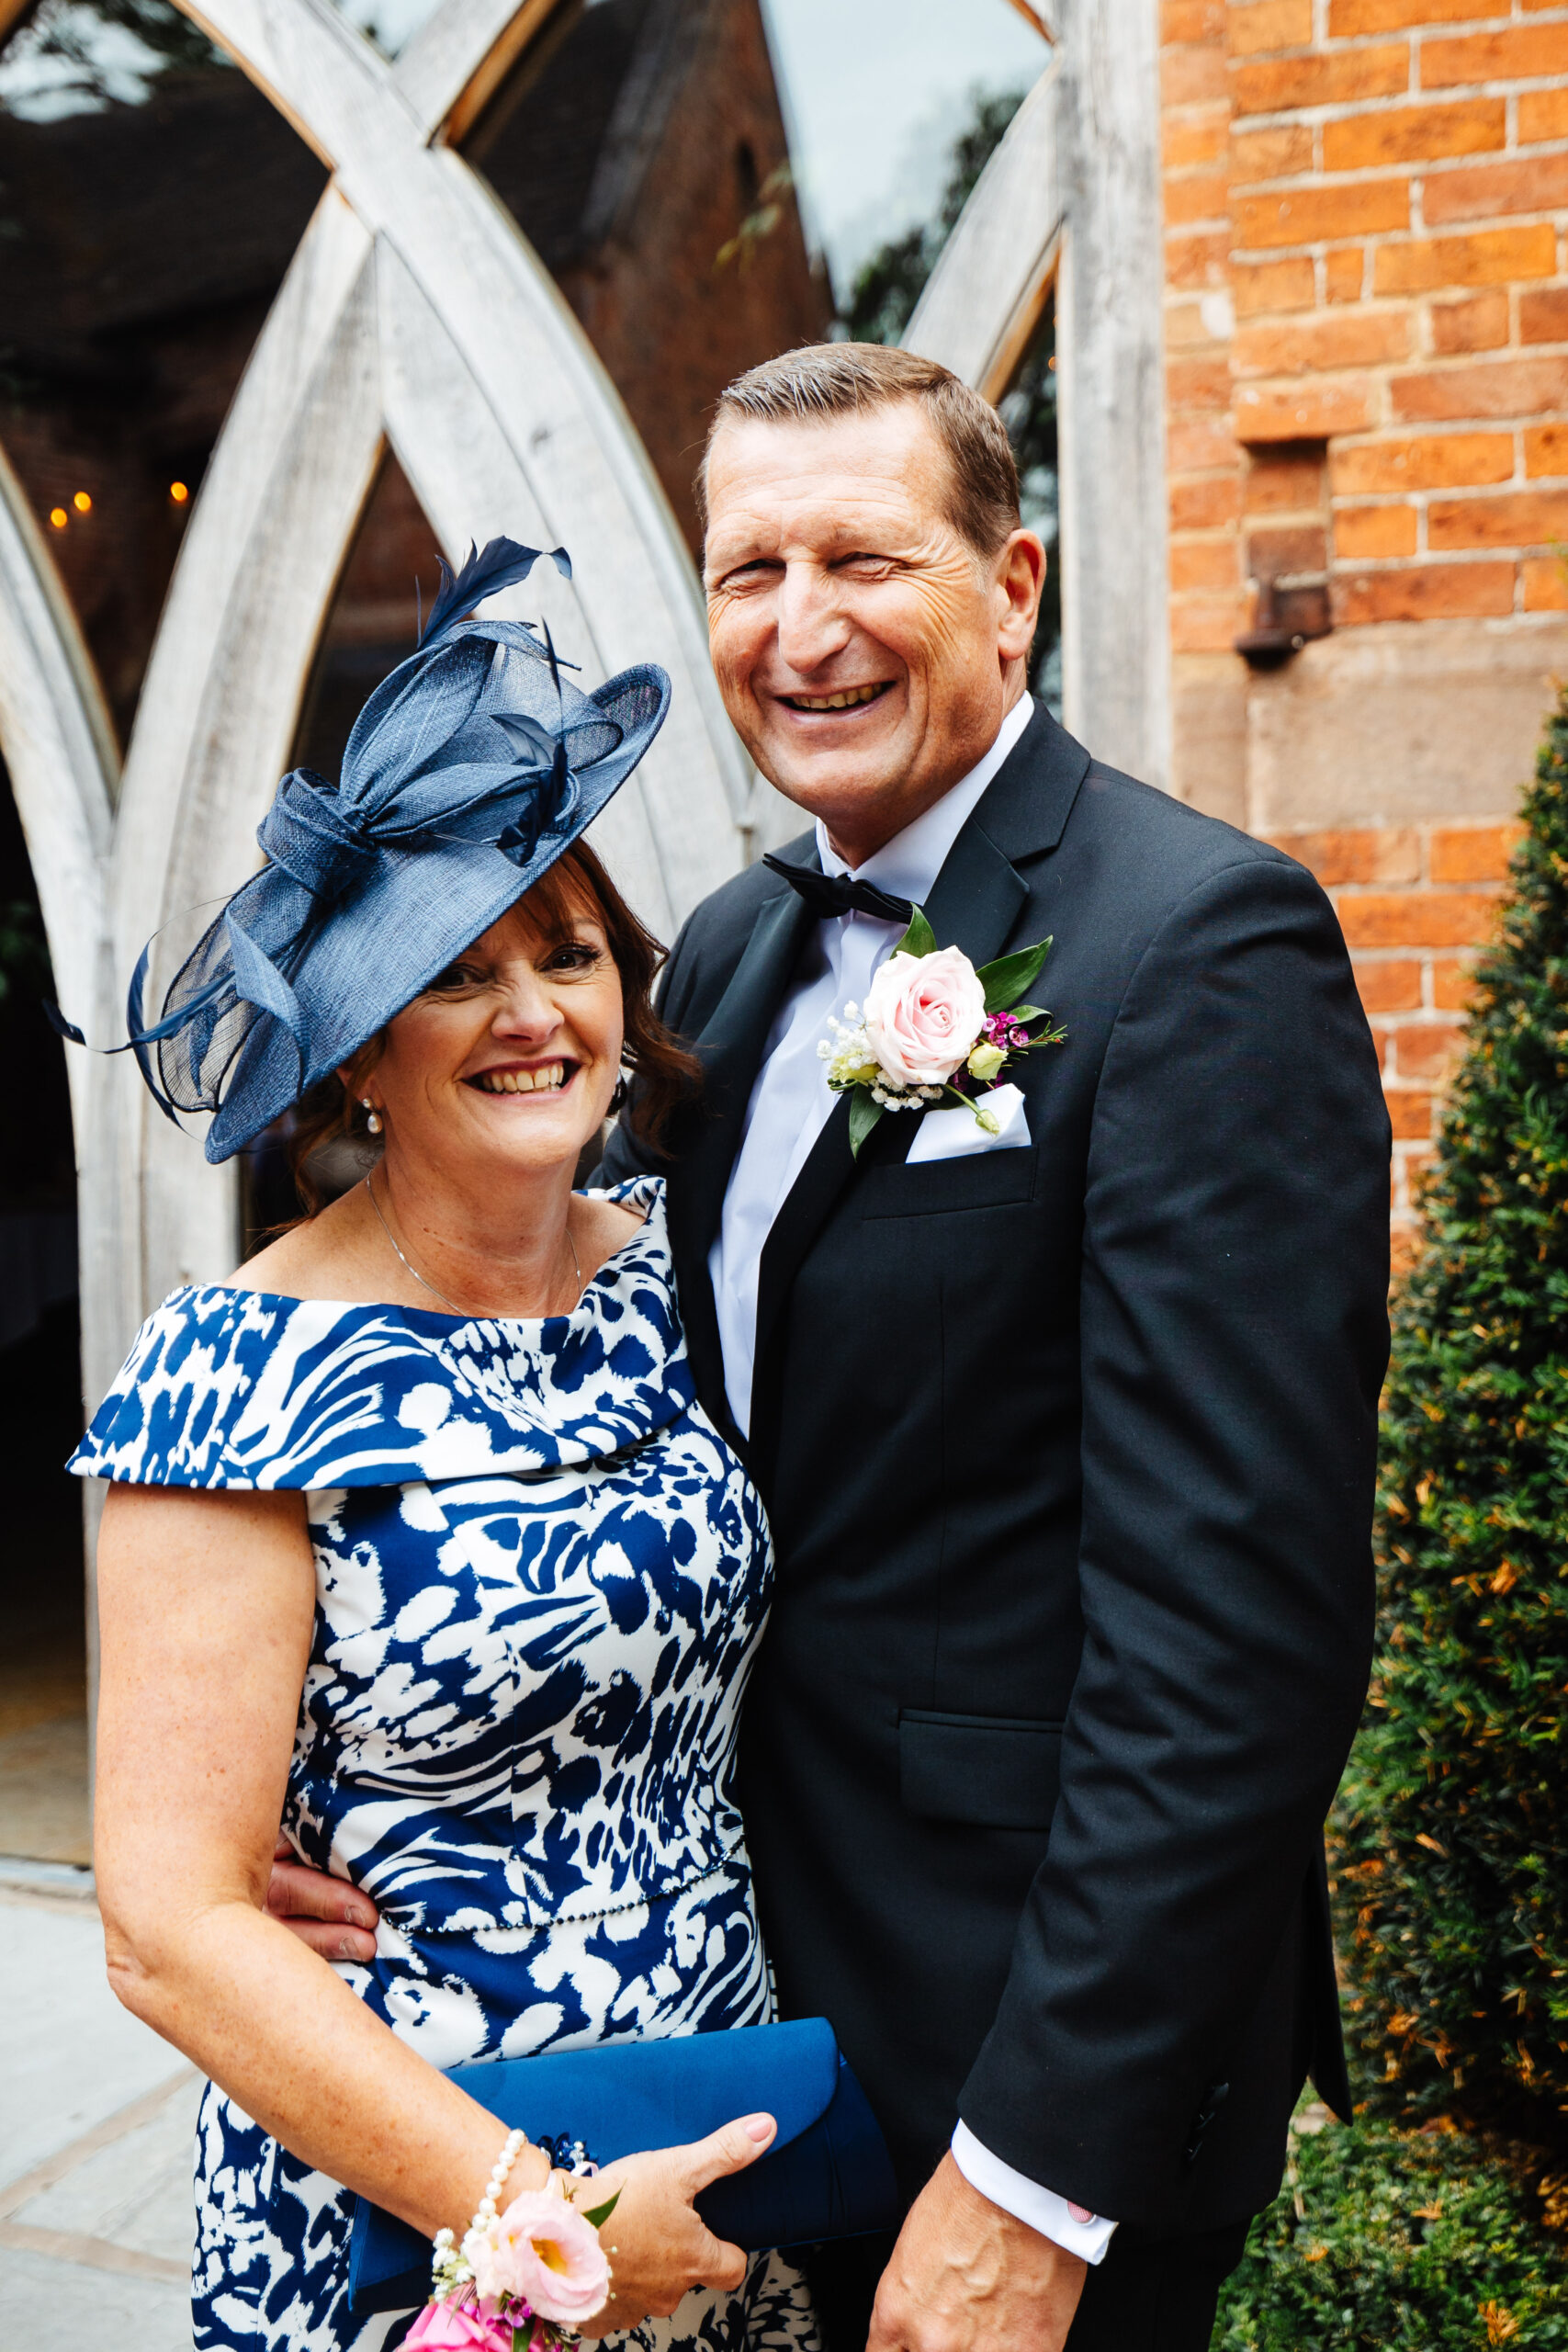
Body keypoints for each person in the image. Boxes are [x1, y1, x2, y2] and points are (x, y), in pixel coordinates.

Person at [271, 345, 1391, 2352]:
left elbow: (1238, 1635)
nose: (797, 631)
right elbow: (603, 1412)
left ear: (1012, 581)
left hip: (1021, 2044)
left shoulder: (1195, 946)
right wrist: (319, 1799)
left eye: (860, 559)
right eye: (743, 571)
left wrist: (1034, 2179)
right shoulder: (719, 946)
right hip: (727, 2013)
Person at [70, 548, 819, 2352]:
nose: (531, 1012)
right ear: (355, 1064)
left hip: (722, 2120)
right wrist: (538, 2221)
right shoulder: (233, 1375)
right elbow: (169, 1920)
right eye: (453, 975)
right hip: (424, 2203)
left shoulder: (679, 1273)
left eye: (563, 953)